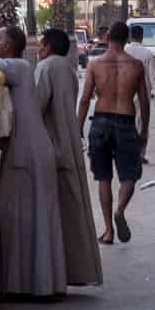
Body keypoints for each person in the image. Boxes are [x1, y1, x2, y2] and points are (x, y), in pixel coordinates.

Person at [0, 25, 69, 299]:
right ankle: (23, 284)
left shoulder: (19, 67)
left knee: (23, 216)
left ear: (8, 47)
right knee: (20, 216)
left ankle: (33, 286)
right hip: (25, 150)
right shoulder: (17, 69)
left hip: (30, 152)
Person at [33, 27, 102, 287]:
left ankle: (52, 274)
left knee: (52, 213)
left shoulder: (46, 67)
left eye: (41, 45)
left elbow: (36, 105)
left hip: (53, 146)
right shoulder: (68, 69)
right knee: (72, 211)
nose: (39, 50)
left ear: (48, 47)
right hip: (69, 143)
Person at [77, 21, 151, 244]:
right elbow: (144, 102)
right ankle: (120, 210)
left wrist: (78, 127)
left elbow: (85, 99)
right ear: (127, 39)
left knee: (103, 178)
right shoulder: (136, 65)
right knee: (130, 174)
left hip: (100, 122)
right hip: (126, 121)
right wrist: (144, 130)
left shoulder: (95, 64)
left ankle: (108, 231)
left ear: (107, 38)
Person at [125, 23, 155, 163]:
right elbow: (153, 77)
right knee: (143, 123)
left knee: (128, 122)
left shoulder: (124, 50)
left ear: (130, 36)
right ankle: (140, 154)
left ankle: (128, 152)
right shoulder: (147, 53)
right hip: (143, 94)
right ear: (141, 37)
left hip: (126, 92)